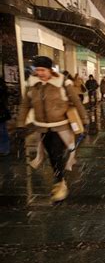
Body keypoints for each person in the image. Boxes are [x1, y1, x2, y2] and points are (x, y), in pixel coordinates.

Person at [16, 56, 89, 202]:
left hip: (60, 126)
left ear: (50, 70)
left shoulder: (62, 83)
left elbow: (76, 101)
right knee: (51, 155)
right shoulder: (32, 84)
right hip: (42, 128)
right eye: (37, 70)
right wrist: (20, 123)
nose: (40, 73)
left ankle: (61, 183)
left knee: (57, 153)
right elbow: (25, 105)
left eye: (43, 70)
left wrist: (84, 120)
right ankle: (59, 179)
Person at [0, 77, 11, 156]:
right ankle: (4, 149)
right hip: (1, 111)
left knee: (2, 130)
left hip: (0, 111)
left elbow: (4, 95)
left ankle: (4, 149)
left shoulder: (1, 84)